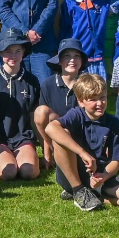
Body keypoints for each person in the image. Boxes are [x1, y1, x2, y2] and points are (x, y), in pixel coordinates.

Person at [44, 74, 119, 212]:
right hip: (72, 172)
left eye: (102, 98)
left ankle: (96, 197)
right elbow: (50, 128)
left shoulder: (114, 123)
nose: (100, 104)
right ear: (81, 101)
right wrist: (83, 153)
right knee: (61, 135)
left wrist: (103, 177)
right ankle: (78, 189)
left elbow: (116, 162)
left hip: (98, 174)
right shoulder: (76, 114)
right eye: (93, 100)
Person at [0, 28, 42, 181]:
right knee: (9, 172)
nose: (13, 56)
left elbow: (35, 118)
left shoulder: (32, 81)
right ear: (0, 53)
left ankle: (25, 160)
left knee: (28, 172)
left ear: (24, 52)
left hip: (23, 138)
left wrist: (47, 151)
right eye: (8, 51)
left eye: (18, 51)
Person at [35, 39, 88, 170]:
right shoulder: (48, 84)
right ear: (59, 60)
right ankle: (54, 152)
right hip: (56, 132)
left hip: (82, 132)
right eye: (67, 56)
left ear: (81, 61)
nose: (72, 60)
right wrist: (46, 154)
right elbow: (45, 123)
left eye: (77, 56)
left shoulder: (88, 83)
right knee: (41, 112)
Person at [59, 0, 111, 78]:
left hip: (97, 58)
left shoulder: (101, 0)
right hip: (76, 59)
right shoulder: (68, 3)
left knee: (98, 92)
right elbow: (64, 28)